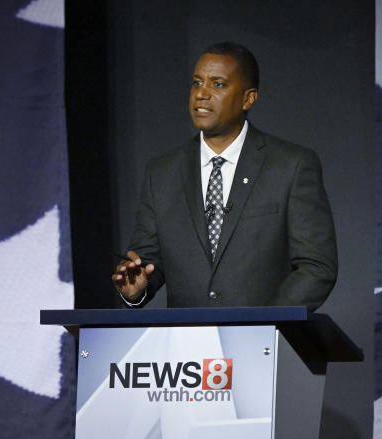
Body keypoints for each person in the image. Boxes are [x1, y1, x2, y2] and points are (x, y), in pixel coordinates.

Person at [112, 42, 337, 311]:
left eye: (217, 85)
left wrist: (267, 323)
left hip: (260, 345)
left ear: (248, 98)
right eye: (197, 83)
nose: (201, 95)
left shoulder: (292, 165)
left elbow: (317, 267)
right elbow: (147, 260)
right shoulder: (161, 172)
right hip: (187, 347)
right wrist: (137, 289)